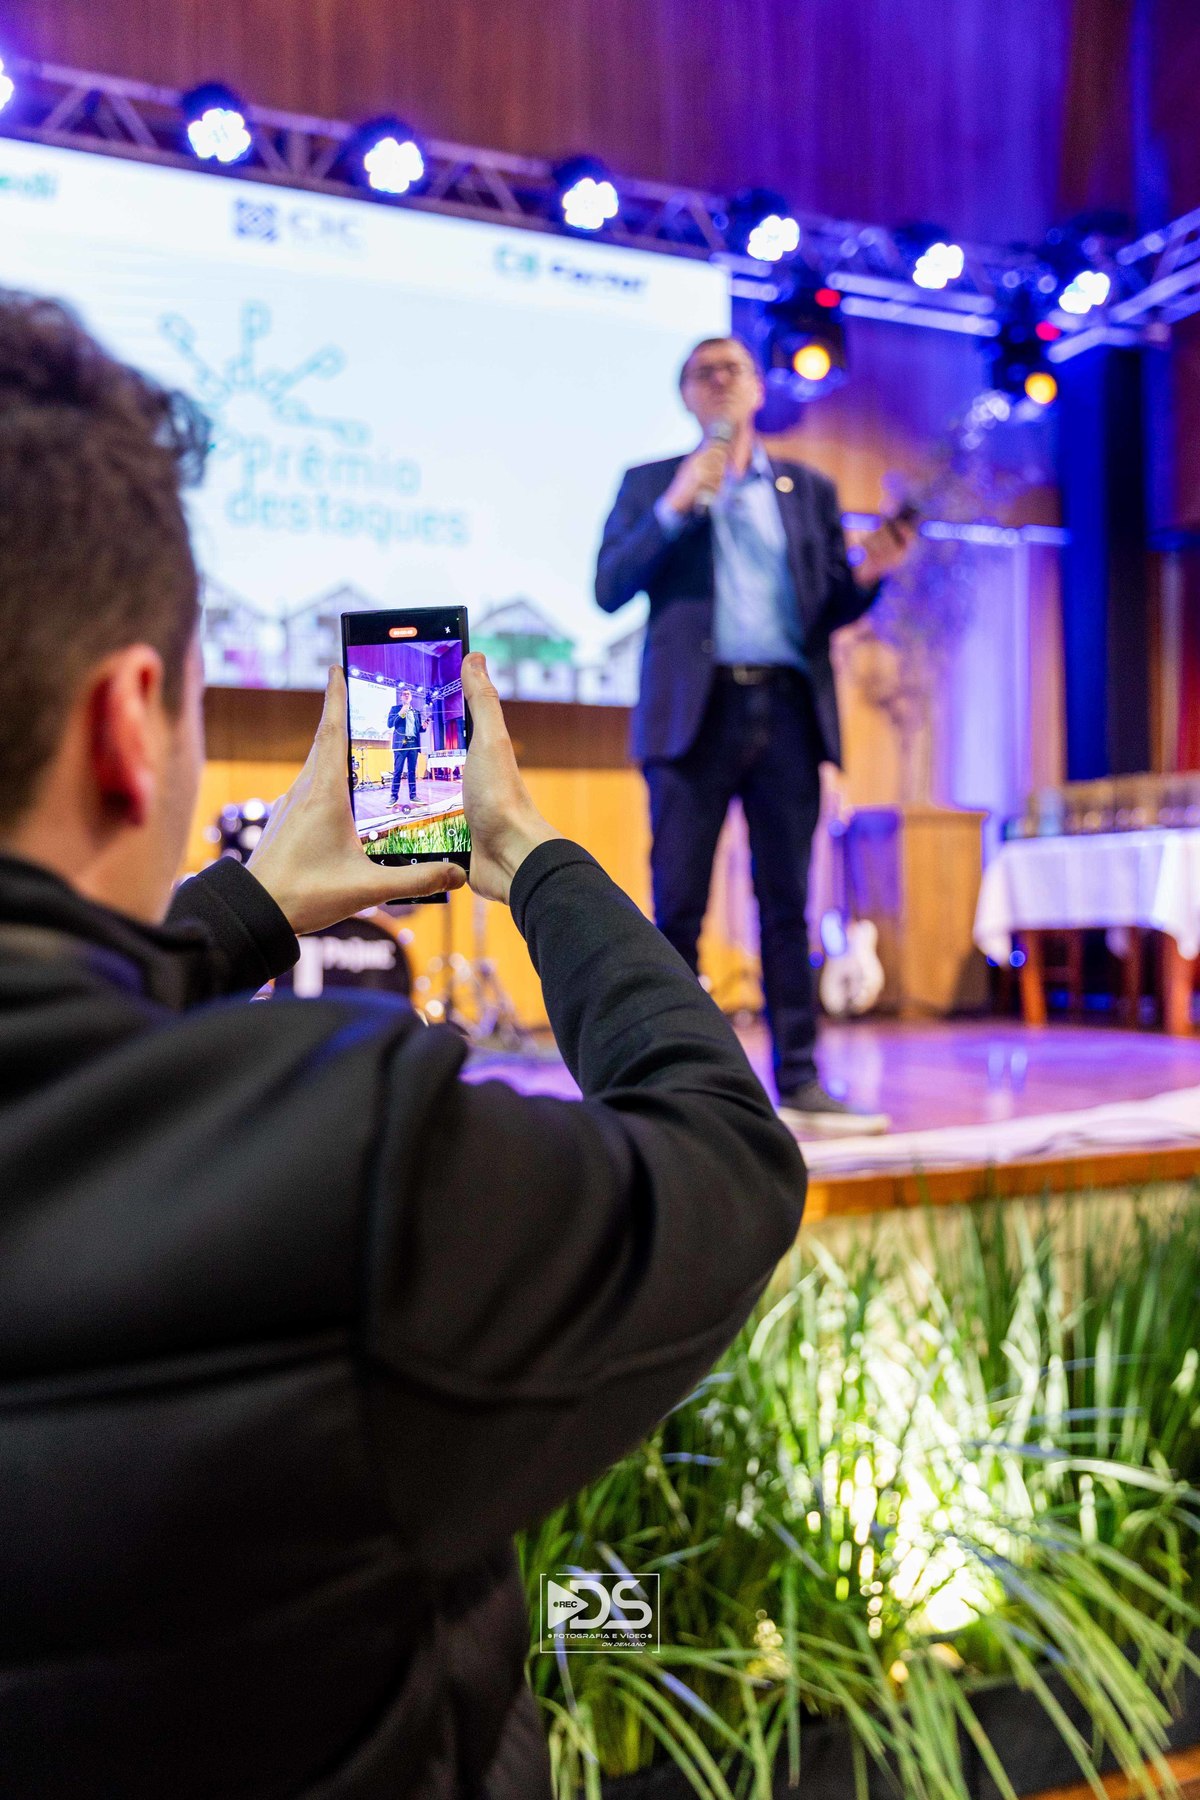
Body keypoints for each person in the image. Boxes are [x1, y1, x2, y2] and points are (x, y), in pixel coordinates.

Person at [0, 292, 806, 1799]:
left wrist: (245, 909)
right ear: (130, 726)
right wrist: (532, 855)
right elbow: (725, 1161)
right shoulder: (335, 1165)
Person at [595, 334, 915, 1135]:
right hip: (692, 717)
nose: (722, 382)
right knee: (677, 906)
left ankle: (800, 1081)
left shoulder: (806, 489)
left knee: (786, 907)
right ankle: (669, 1080)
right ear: (686, 395)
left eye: (734, 369)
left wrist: (868, 574)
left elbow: (825, 606)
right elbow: (609, 587)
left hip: (787, 717)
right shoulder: (650, 482)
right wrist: (675, 506)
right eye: (704, 373)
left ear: (758, 390)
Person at [387, 682, 428, 805]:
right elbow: (390, 724)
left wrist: (423, 727)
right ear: (401, 697)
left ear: (411, 697)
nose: (406, 695)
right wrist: (401, 712)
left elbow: (417, 729)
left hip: (413, 744)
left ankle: (413, 796)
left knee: (412, 771)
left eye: (408, 694)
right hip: (401, 744)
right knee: (398, 771)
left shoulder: (416, 712)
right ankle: (394, 797)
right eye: (404, 694)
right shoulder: (395, 709)